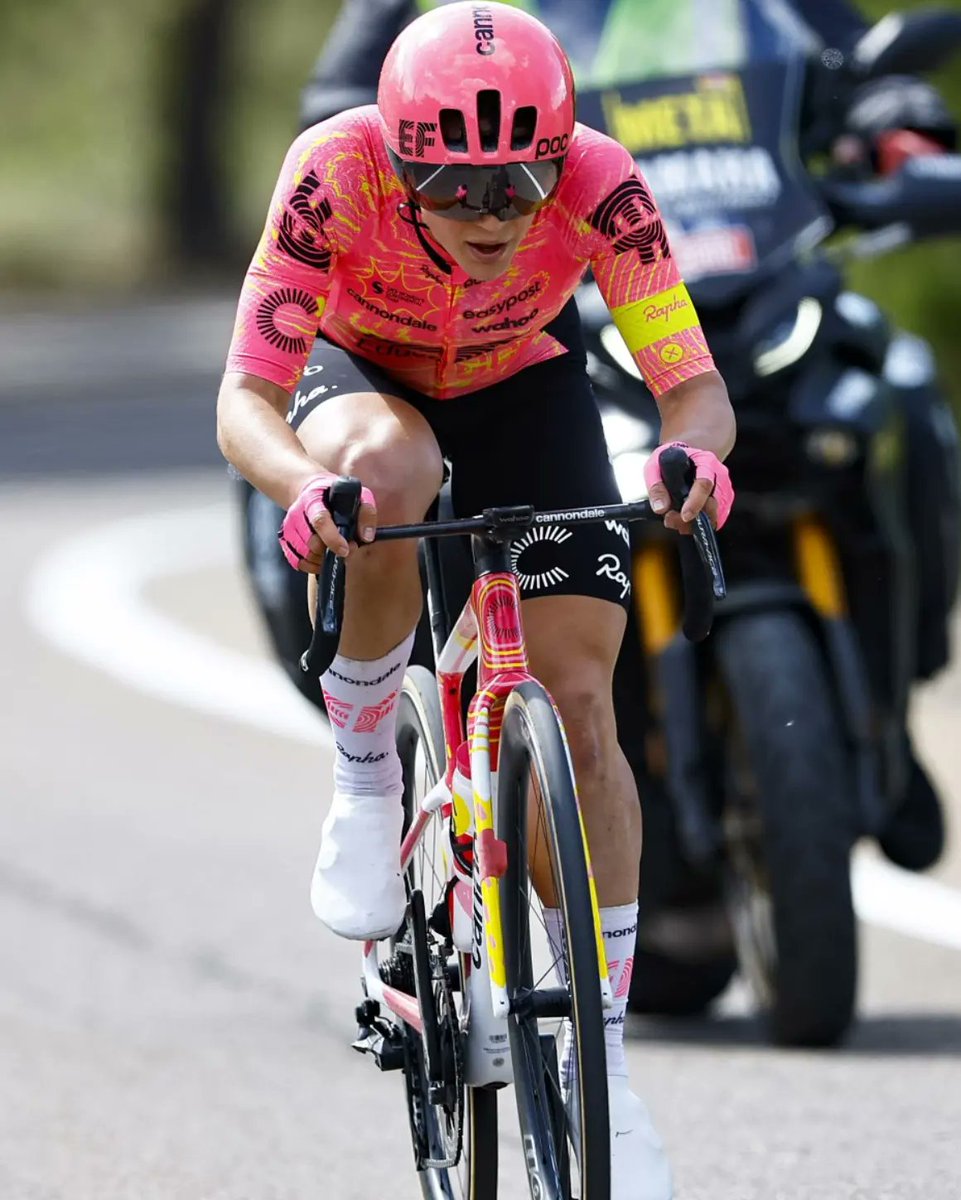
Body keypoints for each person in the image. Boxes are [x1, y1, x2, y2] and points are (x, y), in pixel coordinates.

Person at [217, 4, 735, 1195]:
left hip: (521, 382)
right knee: (387, 476)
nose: (495, 217)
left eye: (520, 186)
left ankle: (602, 1058)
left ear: (560, 158)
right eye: (454, 187)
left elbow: (689, 384)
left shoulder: (603, 181)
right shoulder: (330, 172)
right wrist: (302, 486)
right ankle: (364, 771)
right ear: (400, 164)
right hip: (366, 384)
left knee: (583, 710)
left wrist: (690, 458)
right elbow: (245, 395)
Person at [273, 0, 956, 874]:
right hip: (521, 295)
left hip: (731, 245)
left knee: (898, 392)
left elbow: (855, 58)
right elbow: (341, 99)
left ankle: (891, 709)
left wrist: (895, 120)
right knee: (395, 474)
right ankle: (400, 759)